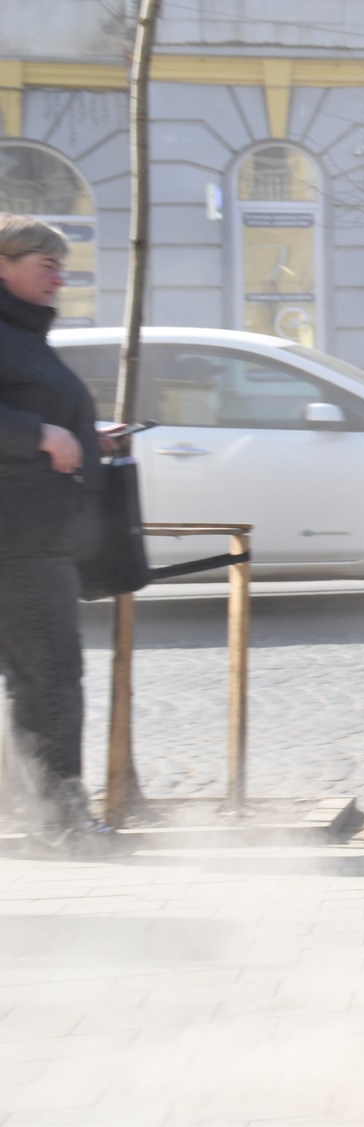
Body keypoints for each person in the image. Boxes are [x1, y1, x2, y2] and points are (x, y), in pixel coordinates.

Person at [0, 215, 126, 855]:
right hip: (15, 542)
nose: (58, 275)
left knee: (39, 678)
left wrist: (83, 435)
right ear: (2, 264)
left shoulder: (24, 335)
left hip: (35, 536)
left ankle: (49, 816)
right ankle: (59, 825)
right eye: (44, 263)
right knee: (48, 679)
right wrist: (38, 435)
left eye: (61, 264)